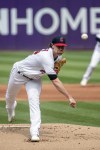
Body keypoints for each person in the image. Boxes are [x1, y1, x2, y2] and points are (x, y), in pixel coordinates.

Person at [5, 35, 76, 142]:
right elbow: (55, 81)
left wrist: (56, 69)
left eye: (63, 46)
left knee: (34, 102)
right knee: (10, 97)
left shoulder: (58, 57)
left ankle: (34, 132)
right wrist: (69, 97)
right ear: (52, 45)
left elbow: (52, 73)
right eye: (58, 46)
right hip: (19, 73)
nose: (61, 48)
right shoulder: (46, 57)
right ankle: (10, 109)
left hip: (34, 79)